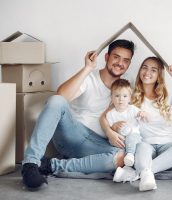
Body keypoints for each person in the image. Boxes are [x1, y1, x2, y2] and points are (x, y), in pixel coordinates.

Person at [21, 39, 135, 190]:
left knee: (121, 158)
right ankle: (30, 163)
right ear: (107, 57)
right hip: (73, 134)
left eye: (125, 60)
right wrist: (87, 68)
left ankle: (50, 165)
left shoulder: (127, 86)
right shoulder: (90, 77)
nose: (120, 63)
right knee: (57, 101)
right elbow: (61, 95)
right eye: (116, 57)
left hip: (97, 145)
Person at [113, 57, 172, 191]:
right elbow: (112, 112)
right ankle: (145, 173)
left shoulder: (168, 94)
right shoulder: (131, 94)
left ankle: (138, 173)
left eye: (154, 70)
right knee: (141, 147)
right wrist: (114, 126)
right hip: (146, 144)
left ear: (159, 75)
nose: (148, 72)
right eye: (145, 67)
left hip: (168, 145)